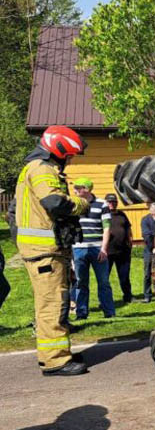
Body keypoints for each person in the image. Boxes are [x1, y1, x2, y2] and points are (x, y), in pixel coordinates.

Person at [15, 125, 89, 376]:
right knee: (52, 305)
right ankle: (55, 361)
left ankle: (58, 354)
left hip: (48, 249)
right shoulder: (41, 169)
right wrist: (81, 204)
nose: (68, 160)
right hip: (44, 250)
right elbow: (54, 202)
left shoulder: (40, 168)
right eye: (68, 155)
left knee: (56, 302)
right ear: (57, 150)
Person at [72, 178, 115, 319]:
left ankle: (109, 313)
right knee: (80, 282)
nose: (75, 190)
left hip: (97, 248)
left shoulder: (102, 204)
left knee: (103, 282)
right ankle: (81, 313)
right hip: (79, 248)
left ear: (88, 189)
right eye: (75, 187)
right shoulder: (72, 205)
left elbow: (107, 228)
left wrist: (104, 249)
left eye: (79, 187)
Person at [105, 193, 133, 303]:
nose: (112, 204)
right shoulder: (103, 215)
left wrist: (130, 242)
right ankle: (105, 299)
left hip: (123, 251)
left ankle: (128, 297)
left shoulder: (122, 214)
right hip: (107, 252)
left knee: (124, 276)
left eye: (114, 202)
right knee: (104, 278)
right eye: (109, 202)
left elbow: (128, 230)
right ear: (106, 203)